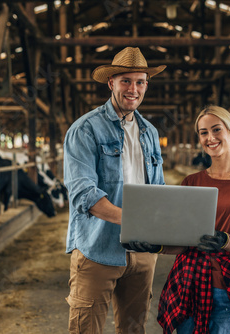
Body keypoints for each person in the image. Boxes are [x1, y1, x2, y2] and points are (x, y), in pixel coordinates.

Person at [129, 105, 230, 333]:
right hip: (188, 282)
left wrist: (225, 240)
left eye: (216, 130)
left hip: (227, 285)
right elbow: (186, 241)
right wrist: (157, 246)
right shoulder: (192, 182)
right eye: (204, 133)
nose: (210, 138)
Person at [63, 47, 166, 333]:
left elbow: (158, 189)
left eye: (141, 81)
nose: (134, 89)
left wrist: (170, 226)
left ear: (147, 84)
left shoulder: (150, 132)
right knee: (87, 329)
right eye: (126, 81)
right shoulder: (85, 129)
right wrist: (135, 220)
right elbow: (84, 194)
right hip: (98, 249)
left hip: (143, 253)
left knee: (134, 330)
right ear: (111, 83)